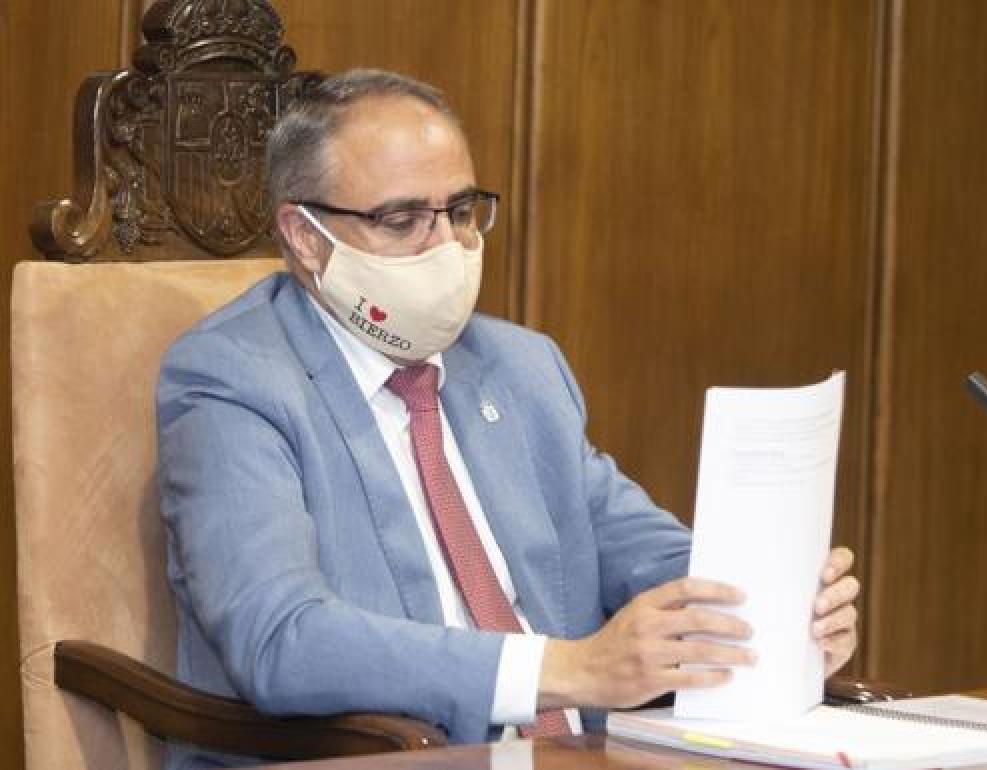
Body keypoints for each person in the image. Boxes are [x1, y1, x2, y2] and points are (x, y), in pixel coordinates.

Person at [157, 69, 859, 769]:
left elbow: (644, 551)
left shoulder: (520, 367)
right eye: (401, 222)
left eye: (460, 213)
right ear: (305, 237)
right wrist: (566, 669)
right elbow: (281, 641)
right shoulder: (234, 378)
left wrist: (778, 607)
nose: (446, 248)